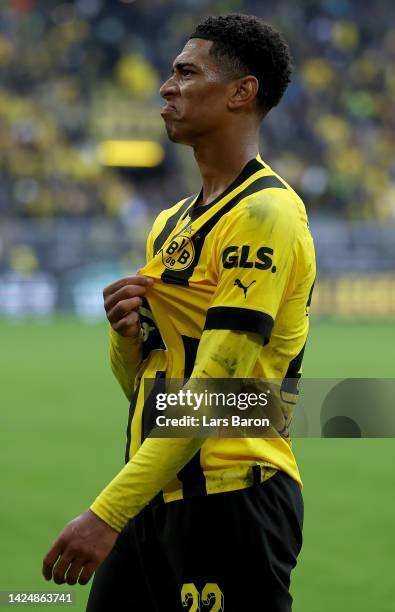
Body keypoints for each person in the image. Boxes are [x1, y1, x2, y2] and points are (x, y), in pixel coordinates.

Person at [42, 13, 316, 611]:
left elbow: (218, 391)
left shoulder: (267, 213)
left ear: (242, 92)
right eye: (170, 73)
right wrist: (126, 337)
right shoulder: (171, 223)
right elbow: (141, 390)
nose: (166, 88)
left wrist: (105, 512)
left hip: (230, 501)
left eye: (185, 73)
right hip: (154, 494)